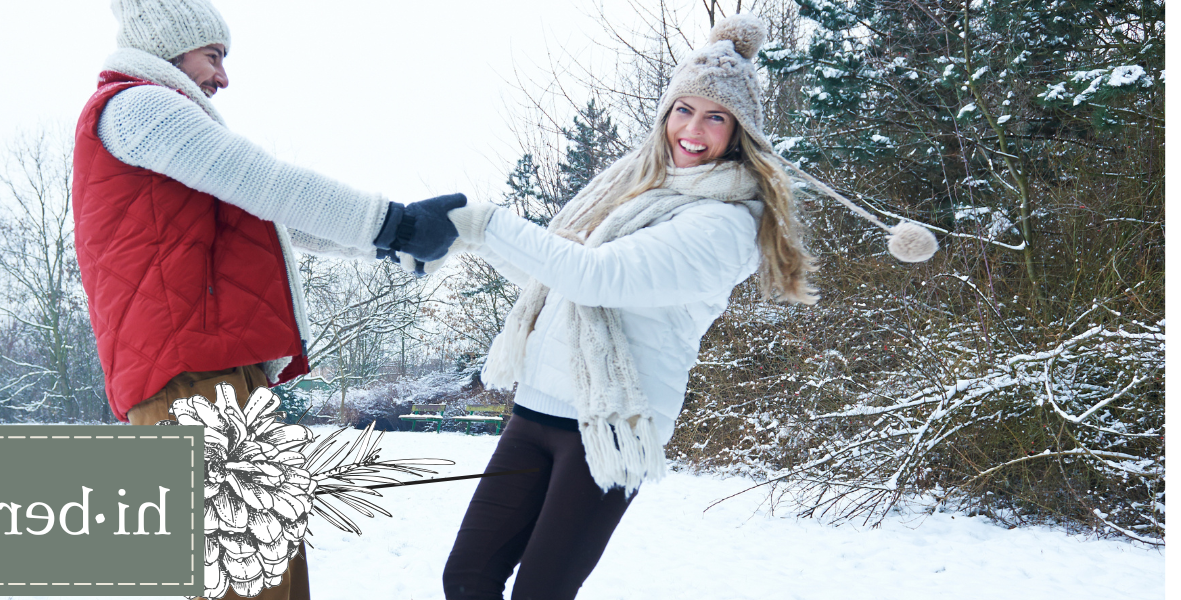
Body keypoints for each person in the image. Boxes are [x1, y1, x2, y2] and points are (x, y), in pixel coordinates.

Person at [71, 1, 464, 598]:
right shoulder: (134, 107)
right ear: (171, 45)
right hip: (190, 385)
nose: (223, 78)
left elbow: (271, 214)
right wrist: (394, 224)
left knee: (275, 580)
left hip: (216, 379)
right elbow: (264, 182)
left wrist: (384, 246)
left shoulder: (155, 118)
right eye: (214, 55)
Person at [438, 15, 817, 600]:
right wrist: (467, 239)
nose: (693, 129)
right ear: (665, 114)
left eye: (716, 117)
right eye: (682, 110)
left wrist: (490, 220)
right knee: (466, 579)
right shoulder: (634, 191)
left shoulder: (723, 225)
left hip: (612, 430)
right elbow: (552, 278)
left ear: (739, 132)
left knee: (540, 592)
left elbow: (592, 277)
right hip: (536, 412)